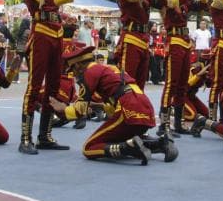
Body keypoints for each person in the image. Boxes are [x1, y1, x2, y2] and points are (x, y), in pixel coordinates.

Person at [19, 0, 101, 155]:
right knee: (34, 85)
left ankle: (44, 136)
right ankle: (26, 138)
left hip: (56, 35)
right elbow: (50, 1)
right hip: (40, 35)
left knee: (54, 87)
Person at [48, 45, 178, 165]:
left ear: (78, 66)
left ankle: (128, 148)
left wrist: (63, 110)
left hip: (128, 109)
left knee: (89, 148)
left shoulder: (89, 72)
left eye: (72, 70)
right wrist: (99, 106)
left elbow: (79, 111)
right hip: (144, 107)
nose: (74, 75)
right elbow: (116, 100)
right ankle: (160, 144)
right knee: (117, 137)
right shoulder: (109, 68)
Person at [155, 0, 206, 137]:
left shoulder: (184, 0)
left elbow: (203, 5)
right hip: (175, 41)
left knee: (182, 85)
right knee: (171, 83)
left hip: (185, 42)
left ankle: (178, 122)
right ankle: (163, 124)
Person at [115, 0, 165, 90]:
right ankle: (123, 108)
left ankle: (138, 109)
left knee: (141, 81)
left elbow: (163, 1)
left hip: (144, 40)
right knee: (127, 79)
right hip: (131, 39)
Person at [183, 50, 212, 122]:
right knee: (192, 116)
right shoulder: (195, 68)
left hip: (191, 96)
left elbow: (209, 85)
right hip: (182, 95)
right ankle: (174, 110)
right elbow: (188, 84)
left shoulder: (207, 70)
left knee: (206, 114)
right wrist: (199, 75)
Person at [14, 17, 31, 83]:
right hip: (27, 50)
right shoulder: (28, 31)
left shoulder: (20, 31)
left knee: (18, 64)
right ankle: (30, 79)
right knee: (30, 65)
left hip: (19, 49)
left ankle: (16, 79)